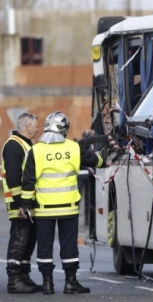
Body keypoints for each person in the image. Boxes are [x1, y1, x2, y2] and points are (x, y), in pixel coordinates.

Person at [20, 111, 105, 294]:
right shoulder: (73, 147)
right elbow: (95, 161)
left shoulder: (36, 150)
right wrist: (105, 157)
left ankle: (47, 284)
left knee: (45, 246)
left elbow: (28, 181)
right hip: (68, 207)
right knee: (69, 245)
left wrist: (25, 206)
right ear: (65, 129)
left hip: (43, 209)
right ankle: (70, 283)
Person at [1, 112, 40, 294]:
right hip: (19, 205)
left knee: (28, 240)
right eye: (36, 126)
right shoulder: (13, 146)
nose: (39, 129)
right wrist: (21, 205)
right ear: (27, 126)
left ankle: (23, 276)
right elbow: (14, 178)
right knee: (19, 239)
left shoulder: (25, 145)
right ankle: (14, 280)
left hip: (26, 204)